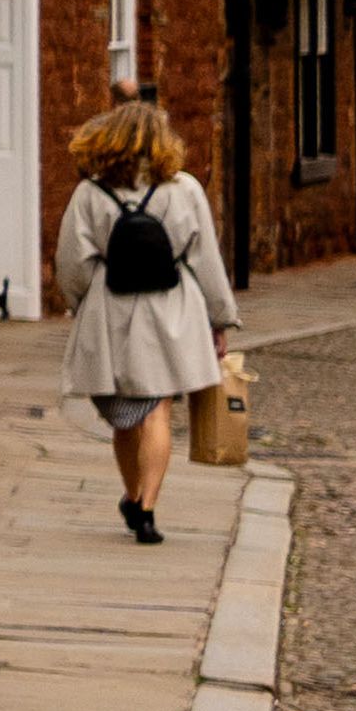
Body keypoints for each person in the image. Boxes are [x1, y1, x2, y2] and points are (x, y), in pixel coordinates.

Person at [52, 98, 240, 544]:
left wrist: (81, 304)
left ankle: (132, 494)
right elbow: (206, 259)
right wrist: (220, 319)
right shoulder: (185, 189)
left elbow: (71, 263)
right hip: (173, 309)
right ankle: (148, 508)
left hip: (111, 310)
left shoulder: (89, 194)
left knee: (124, 415)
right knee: (158, 409)